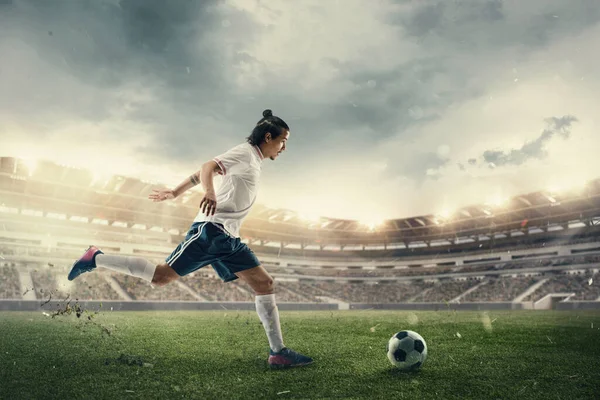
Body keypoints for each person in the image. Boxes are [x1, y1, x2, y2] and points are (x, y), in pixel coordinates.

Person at [68, 109, 313, 369]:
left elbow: (202, 172)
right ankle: (96, 258)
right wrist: (209, 192)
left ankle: (278, 353)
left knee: (265, 284)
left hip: (229, 238)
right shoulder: (245, 152)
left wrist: (175, 191)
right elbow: (208, 166)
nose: (284, 147)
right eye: (283, 140)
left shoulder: (253, 160)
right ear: (268, 136)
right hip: (211, 231)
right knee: (161, 276)